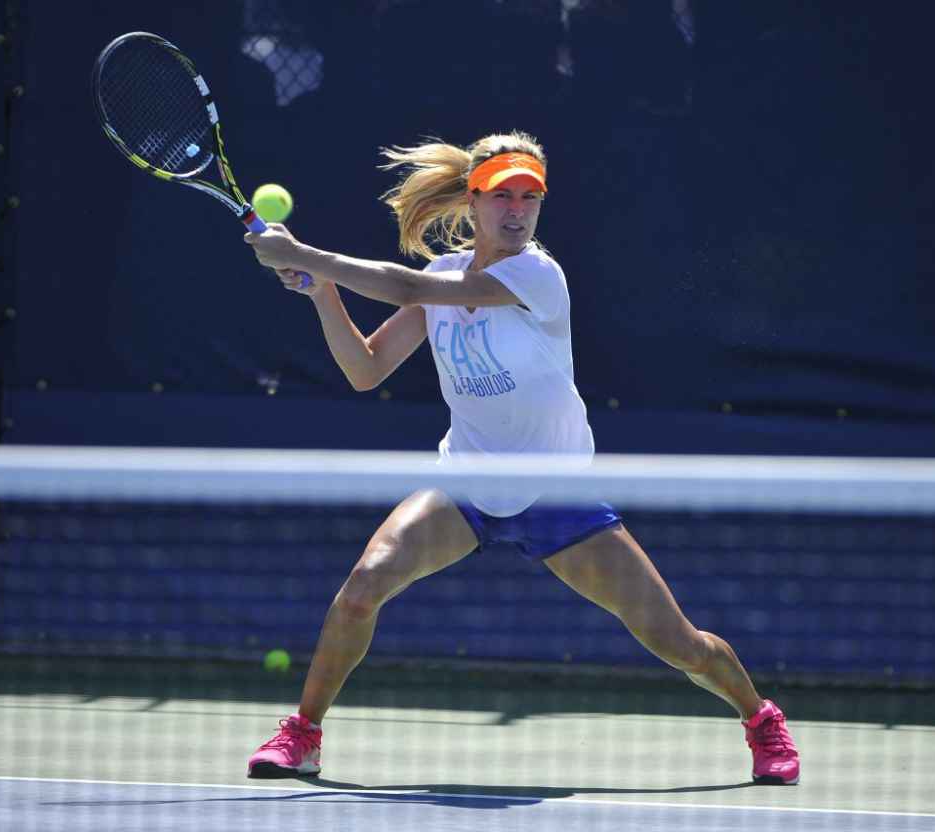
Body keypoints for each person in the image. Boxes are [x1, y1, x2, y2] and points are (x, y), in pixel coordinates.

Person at [241, 131, 799, 785]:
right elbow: (366, 370)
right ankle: (303, 733)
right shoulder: (443, 278)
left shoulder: (537, 276)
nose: (516, 210)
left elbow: (397, 286)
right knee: (362, 590)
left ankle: (761, 718)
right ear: (473, 203)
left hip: (555, 493)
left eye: (529, 197)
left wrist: (306, 253)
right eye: (501, 195)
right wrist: (321, 293)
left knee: (676, 641)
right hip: (467, 483)